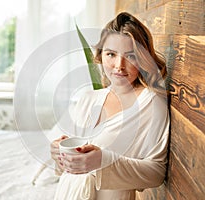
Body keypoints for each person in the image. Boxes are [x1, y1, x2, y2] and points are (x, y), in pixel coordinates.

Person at [50, 12, 169, 200]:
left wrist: (103, 161)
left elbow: (156, 173)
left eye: (130, 56)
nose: (118, 66)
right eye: (111, 54)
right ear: (100, 56)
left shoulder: (151, 103)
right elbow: (71, 163)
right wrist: (59, 155)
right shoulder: (88, 98)